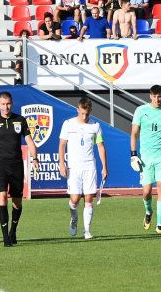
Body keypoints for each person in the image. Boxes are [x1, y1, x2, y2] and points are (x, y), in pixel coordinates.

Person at [0, 91, 38, 246]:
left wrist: (35, 158)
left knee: (17, 202)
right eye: (3, 104)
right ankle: (5, 236)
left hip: (17, 166)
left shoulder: (20, 121)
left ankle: (13, 230)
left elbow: (29, 141)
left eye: (8, 104)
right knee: (2, 197)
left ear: (12, 104)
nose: (6, 107)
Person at [129, 84, 161, 234]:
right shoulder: (141, 111)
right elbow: (134, 133)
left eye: (160, 96)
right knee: (147, 192)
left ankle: (159, 224)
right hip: (146, 157)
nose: (157, 99)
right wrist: (133, 155)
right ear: (150, 96)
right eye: (155, 96)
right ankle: (148, 212)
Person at [58, 97, 108, 240]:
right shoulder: (68, 124)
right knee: (74, 200)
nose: (84, 117)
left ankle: (87, 231)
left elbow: (100, 146)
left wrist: (104, 166)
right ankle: (74, 219)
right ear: (77, 110)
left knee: (89, 199)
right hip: (74, 167)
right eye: (82, 113)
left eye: (87, 114)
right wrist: (62, 163)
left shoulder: (96, 126)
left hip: (89, 166)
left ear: (90, 111)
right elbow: (62, 144)